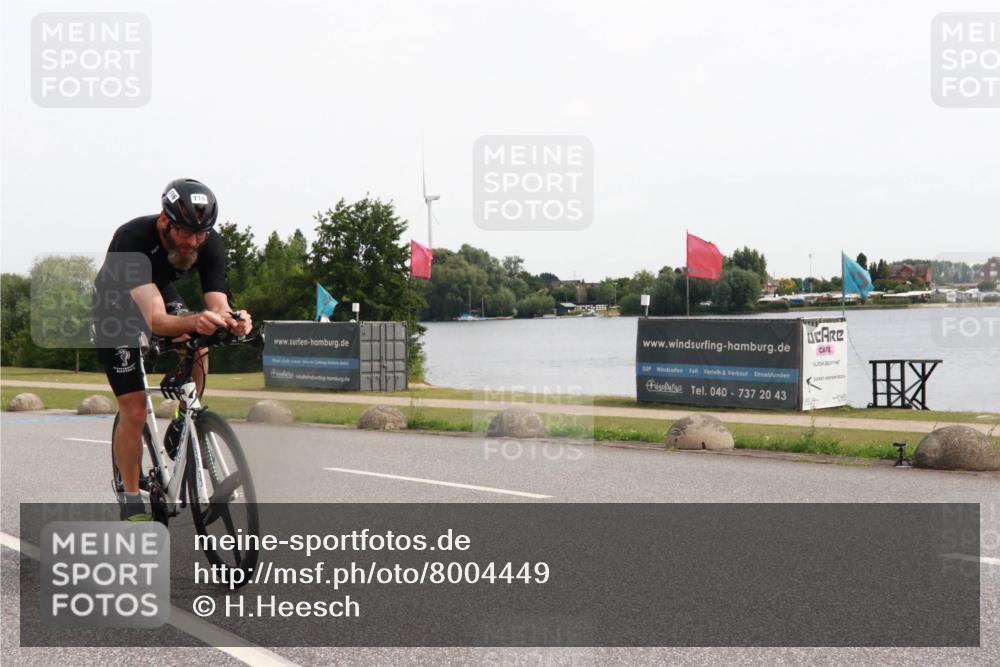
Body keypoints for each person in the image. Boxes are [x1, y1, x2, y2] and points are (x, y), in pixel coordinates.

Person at [92, 179, 252, 520]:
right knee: (134, 410)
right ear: (165, 221)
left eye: (201, 234)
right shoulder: (131, 240)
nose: (193, 242)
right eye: (185, 233)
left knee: (199, 347)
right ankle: (132, 501)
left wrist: (234, 320)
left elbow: (218, 303)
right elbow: (157, 321)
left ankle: (183, 418)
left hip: (156, 290)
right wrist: (197, 321)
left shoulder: (208, 242)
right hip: (115, 310)